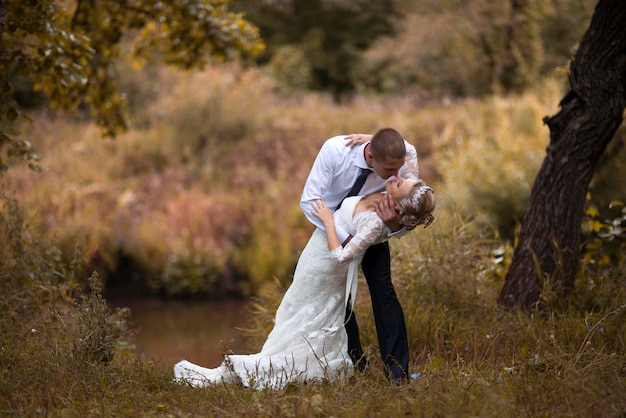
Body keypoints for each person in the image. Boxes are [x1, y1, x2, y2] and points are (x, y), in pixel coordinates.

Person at [173, 175, 435, 390]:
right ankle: (328, 361)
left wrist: (328, 220)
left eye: (401, 182)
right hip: (314, 259)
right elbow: (407, 150)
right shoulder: (387, 181)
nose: (397, 176)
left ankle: (280, 366)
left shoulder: (376, 222)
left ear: (398, 207)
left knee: (314, 313)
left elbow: (343, 256)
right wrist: (367, 138)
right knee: (301, 309)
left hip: (328, 265)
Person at [299, 127, 418, 382]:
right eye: (388, 171)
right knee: (338, 300)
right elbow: (309, 200)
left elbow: (410, 214)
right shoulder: (335, 151)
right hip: (332, 232)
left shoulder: (400, 160)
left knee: (384, 292)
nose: (395, 177)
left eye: (397, 170)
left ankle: (398, 374)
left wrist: (394, 226)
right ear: (371, 156)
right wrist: (343, 237)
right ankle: (355, 363)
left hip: (373, 229)